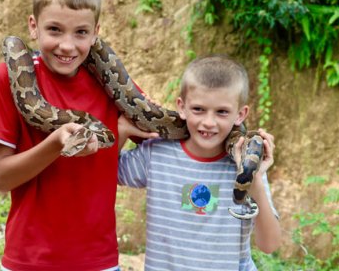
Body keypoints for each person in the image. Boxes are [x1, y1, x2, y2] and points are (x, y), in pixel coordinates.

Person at [0, 0, 154, 271]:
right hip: (28, 260)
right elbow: (0, 177)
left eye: (80, 33)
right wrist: (57, 143)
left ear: (96, 32)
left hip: (97, 260)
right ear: (33, 27)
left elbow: (162, 137)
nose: (67, 46)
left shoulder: (109, 83)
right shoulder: (6, 78)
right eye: (55, 30)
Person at [117, 56, 282, 271]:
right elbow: (108, 172)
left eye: (222, 112)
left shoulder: (245, 165)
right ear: (181, 107)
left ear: (240, 114)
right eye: (198, 109)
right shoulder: (156, 153)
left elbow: (269, 245)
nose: (208, 122)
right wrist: (121, 131)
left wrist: (256, 179)